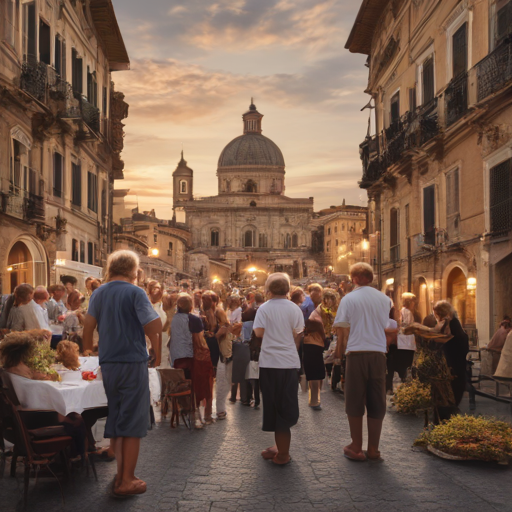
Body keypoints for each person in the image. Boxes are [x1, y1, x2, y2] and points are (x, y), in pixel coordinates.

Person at [83, 250, 162, 497]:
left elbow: (87, 329)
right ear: (134, 271)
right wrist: (156, 347)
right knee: (133, 422)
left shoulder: (99, 292)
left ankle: (122, 474)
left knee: (117, 416)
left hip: (108, 364)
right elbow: (155, 326)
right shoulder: (135, 292)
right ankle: (126, 480)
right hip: (131, 362)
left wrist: (89, 352)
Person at [333, 263, 392, 462]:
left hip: (356, 353)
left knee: (354, 400)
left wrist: (338, 354)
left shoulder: (348, 299)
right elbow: (388, 326)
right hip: (378, 354)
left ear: (355, 278)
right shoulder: (385, 299)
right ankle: (374, 449)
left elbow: (342, 328)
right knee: (377, 400)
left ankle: (356, 446)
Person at [254, 273, 304, 466]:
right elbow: (298, 333)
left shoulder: (264, 309)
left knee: (275, 406)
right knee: (286, 404)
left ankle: (283, 453)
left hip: (269, 362)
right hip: (289, 362)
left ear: (268, 291)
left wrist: (273, 333)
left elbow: (259, 333)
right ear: (288, 290)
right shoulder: (295, 309)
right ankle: (280, 447)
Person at [170, 294, 214, 426]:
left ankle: (184, 409)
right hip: (190, 356)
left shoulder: (174, 318)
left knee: (183, 383)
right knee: (197, 384)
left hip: (176, 356)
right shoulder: (193, 319)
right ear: (191, 306)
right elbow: (199, 341)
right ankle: (197, 415)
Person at [432, 300, 469, 419]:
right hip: (456, 370)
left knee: (446, 406)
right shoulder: (455, 325)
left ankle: (443, 430)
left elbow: (438, 347)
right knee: (448, 405)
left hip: (450, 371)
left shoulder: (449, 326)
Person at [146, 281, 170, 368]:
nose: (157, 291)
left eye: (159, 288)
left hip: (160, 338)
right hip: (149, 338)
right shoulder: (146, 305)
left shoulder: (161, 305)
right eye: (155, 288)